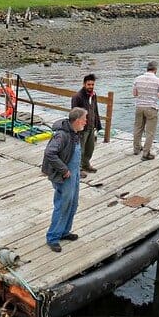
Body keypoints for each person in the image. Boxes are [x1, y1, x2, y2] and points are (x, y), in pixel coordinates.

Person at [41, 107, 87, 252]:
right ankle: (53, 237)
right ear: (78, 120)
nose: (86, 122)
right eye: (84, 119)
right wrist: (64, 169)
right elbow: (50, 152)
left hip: (74, 175)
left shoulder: (75, 133)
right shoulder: (61, 135)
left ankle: (64, 232)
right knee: (62, 206)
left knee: (73, 204)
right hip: (65, 176)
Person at [133, 60, 159, 160]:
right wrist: (156, 95)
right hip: (151, 108)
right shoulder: (158, 80)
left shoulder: (137, 79)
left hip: (139, 107)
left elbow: (135, 94)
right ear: (155, 69)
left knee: (138, 128)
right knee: (150, 132)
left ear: (147, 68)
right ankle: (146, 153)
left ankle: (136, 149)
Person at [71, 73, 101, 173]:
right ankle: (77, 168)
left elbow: (95, 110)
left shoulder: (94, 95)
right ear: (84, 84)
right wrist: (76, 128)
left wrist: (97, 124)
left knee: (90, 148)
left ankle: (86, 164)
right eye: (89, 84)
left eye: (92, 84)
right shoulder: (77, 97)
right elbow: (74, 114)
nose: (91, 87)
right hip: (81, 128)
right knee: (80, 149)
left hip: (91, 126)